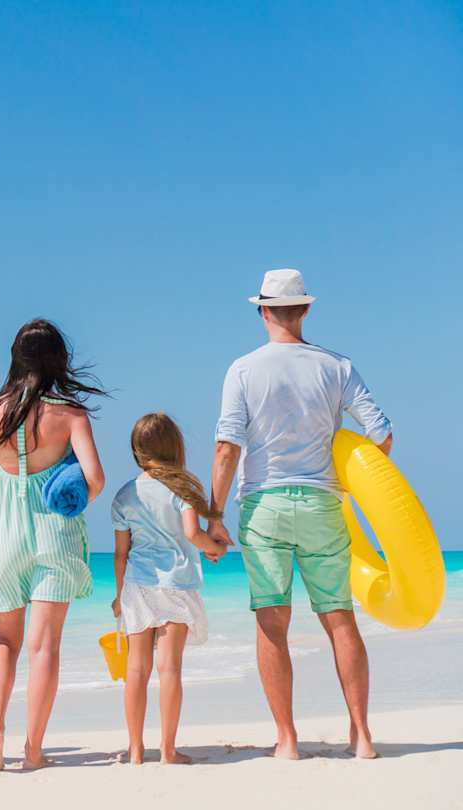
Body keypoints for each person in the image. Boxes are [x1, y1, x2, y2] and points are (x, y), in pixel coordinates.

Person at [207, 269, 392, 760]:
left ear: (262, 311)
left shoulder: (243, 370)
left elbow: (227, 447)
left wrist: (214, 515)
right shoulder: (337, 366)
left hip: (263, 505)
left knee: (272, 621)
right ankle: (362, 736)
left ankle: (287, 740)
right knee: (339, 618)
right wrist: (361, 485)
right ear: (306, 309)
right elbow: (381, 435)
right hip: (322, 503)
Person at [0, 319, 107, 771]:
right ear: (58, 359)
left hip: (7, 534)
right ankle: (34, 750)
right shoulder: (70, 414)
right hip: (55, 530)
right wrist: (65, 493)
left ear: (16, 357)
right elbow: (95, 480)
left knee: (2, 641)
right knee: (44, 646)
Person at [110, 413, 228, 764]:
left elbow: (120, 554)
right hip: (176, 584)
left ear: (136, 449)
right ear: (174, 445)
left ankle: (134, 750)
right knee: (170, 669)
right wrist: (215, 547)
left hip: (138, 586)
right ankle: (168, 750)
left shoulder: (125, 494)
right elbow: (193, 534)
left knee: (136, 669)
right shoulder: (183, 488)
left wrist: (119, 596)